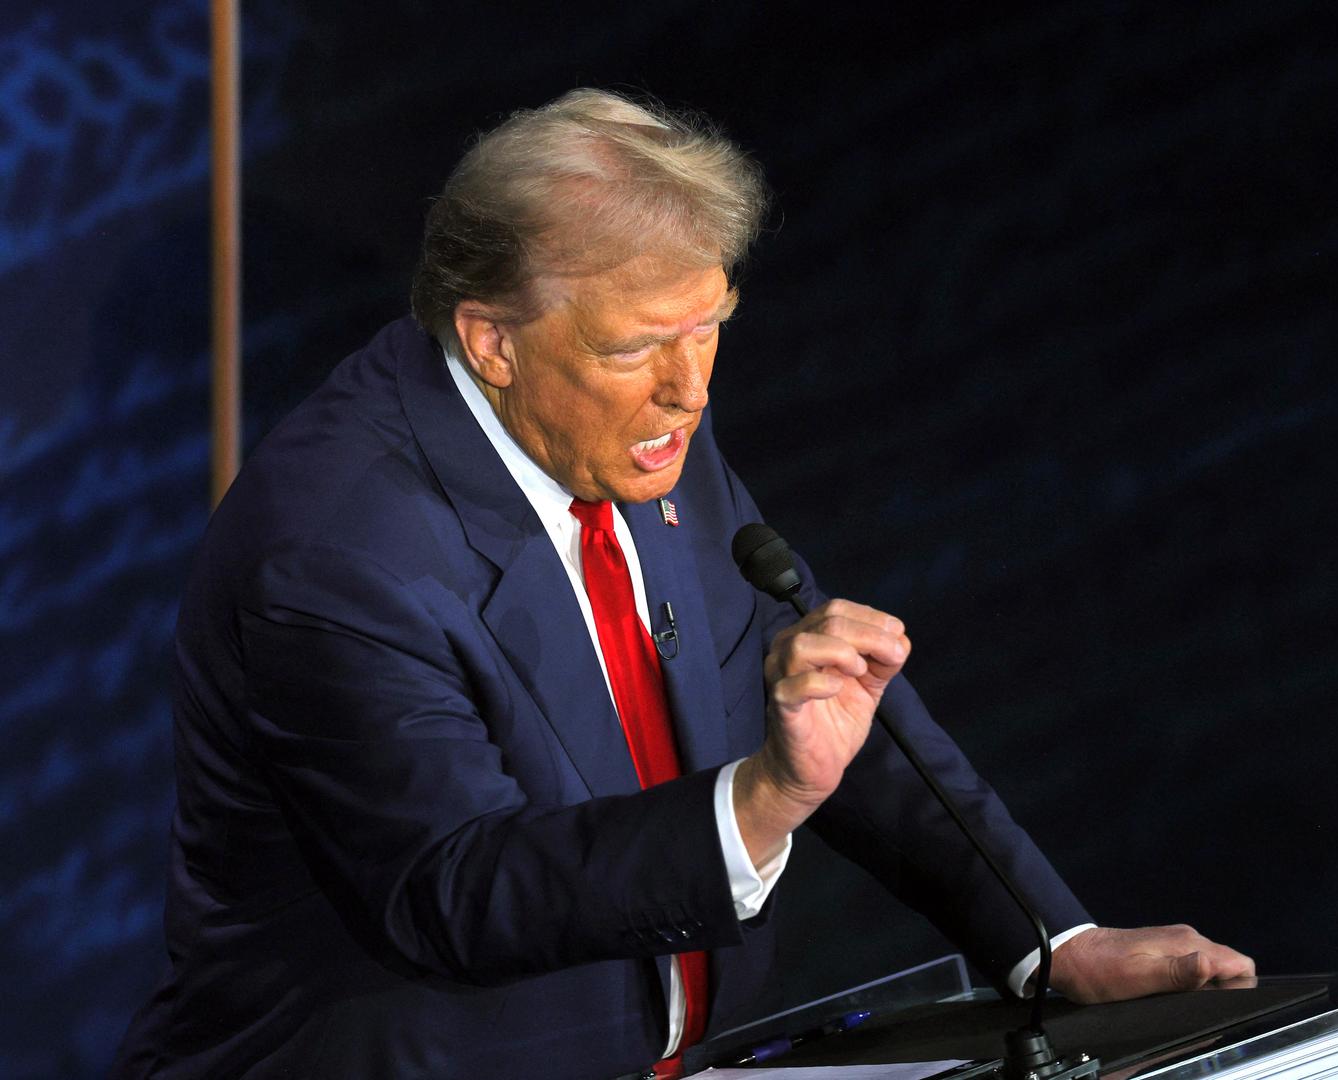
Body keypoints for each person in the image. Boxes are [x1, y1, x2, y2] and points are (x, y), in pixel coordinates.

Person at [113, 89, 1252, 1080]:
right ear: (490, 339)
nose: (688, 391)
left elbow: (825, 707)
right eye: (637, 348)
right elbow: (458, 889)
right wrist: (760, 801)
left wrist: (1049, 940)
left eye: (710, 330)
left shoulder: (631, 429)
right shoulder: (333, 551)